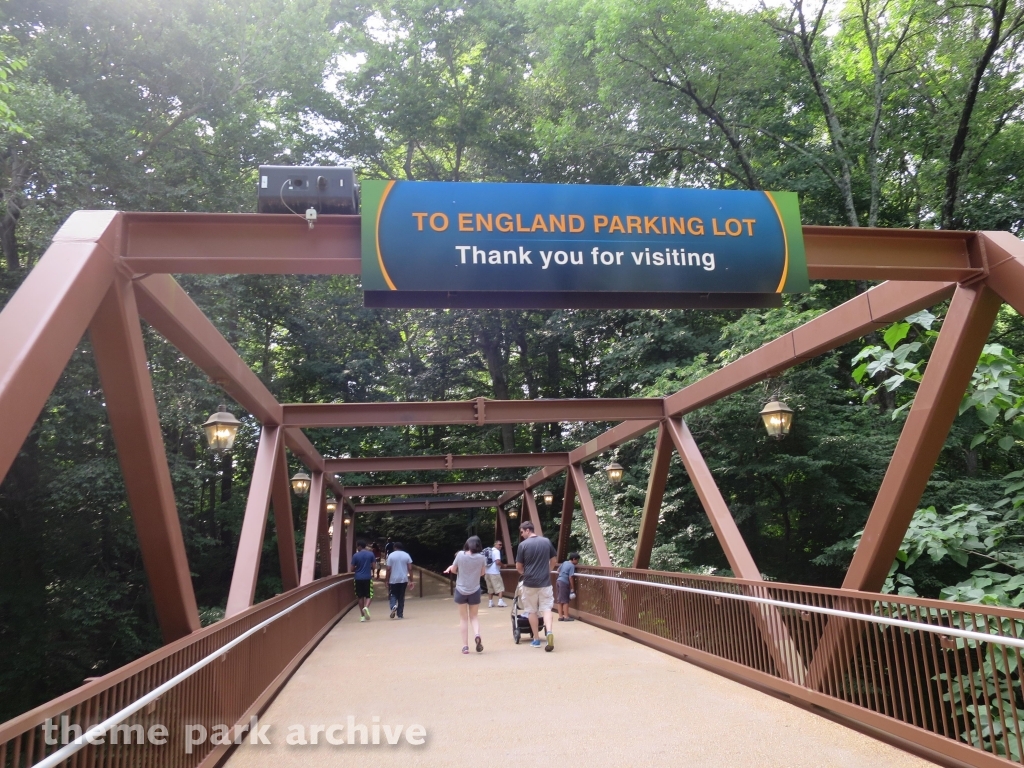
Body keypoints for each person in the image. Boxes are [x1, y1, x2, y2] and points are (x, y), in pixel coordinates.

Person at [515, 521, 557, 651]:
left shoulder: (523, 545)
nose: (521, 535)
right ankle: (549, 632)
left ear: (528, 530)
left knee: (531, 611)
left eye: (522, 532)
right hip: (545, 582)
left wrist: (525, 573)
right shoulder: (546, 541)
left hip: (529, 583)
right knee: (547, 608)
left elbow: (518, 567)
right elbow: (554, 560)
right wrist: (548, 571)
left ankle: (536, 639)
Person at [450, 535, 488, 654]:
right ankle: (477, 634)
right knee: (474, 616)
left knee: (463, 618)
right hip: (475, 589)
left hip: (461, 589)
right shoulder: (482, 558)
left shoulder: (460, 555)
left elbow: (453, 570)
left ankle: (465, 646)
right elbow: (482, 573)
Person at [385, 542, 414, 619]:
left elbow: (388, 569)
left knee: (393, 594)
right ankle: (400, 614)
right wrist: (411, 580)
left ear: (395, 547)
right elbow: (410, 568)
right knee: (401, 596)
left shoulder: (391, 555)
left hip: (393, 579)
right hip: (403, 579)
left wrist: (386, 580)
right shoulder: (406, 555)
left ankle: (393, 606)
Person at [351, 541, 376, 622]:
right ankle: (366, 607)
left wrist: (357, 568)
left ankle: (362, 616)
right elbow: (374, 566)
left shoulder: (355, 555)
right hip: (367, 577)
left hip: (358, 578)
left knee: (360, 596)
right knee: (370, 595)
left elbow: (352, 569)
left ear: (359, 546)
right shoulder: (371, 554)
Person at [555, 552, 580, 621]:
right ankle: (566, 616)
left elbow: (558, 570)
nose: (577, 562)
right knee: (565, 600)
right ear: (574, 559)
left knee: (559, 599)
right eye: (577, 560)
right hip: (564, 582)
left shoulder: (565, 562)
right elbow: (570, 577)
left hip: (558, 581)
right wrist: (572, 588)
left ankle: (560, 616)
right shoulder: (572, 566)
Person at [484, 540, 506, 608]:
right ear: (495, 544)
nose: (500, 546)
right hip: (494, 572)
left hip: (487, 572)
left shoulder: (488, 551)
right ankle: (500, 601)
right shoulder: (496, 551)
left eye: (501, 545)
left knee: (490, 588)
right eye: (499, 545)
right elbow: (497, 562)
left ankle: (490, 602)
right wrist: (503, 566)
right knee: (500, 587)